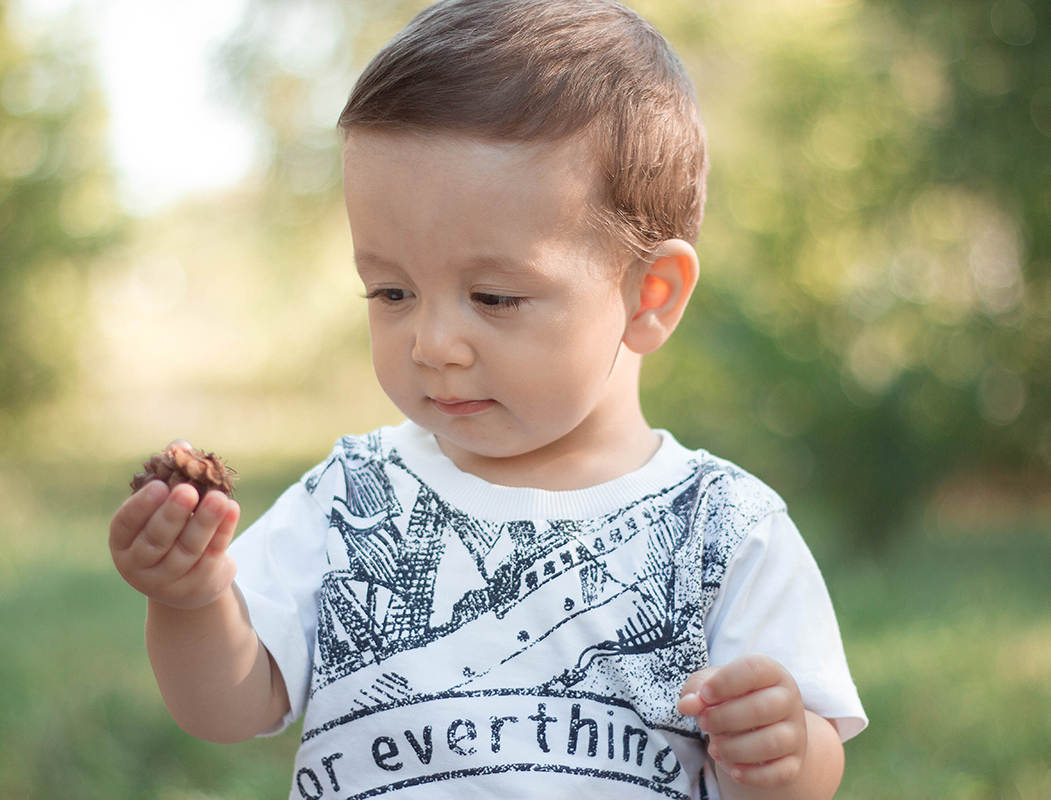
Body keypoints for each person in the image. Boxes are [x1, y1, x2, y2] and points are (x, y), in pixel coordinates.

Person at [108, 1, 867, 797]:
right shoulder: (354, 499)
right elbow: (230, 705)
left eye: (495, 298)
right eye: (392, 291)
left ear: (650, 295)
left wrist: (785, 750)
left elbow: (809, 767)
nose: (432, 343)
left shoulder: (723, 531)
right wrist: (194, 601)